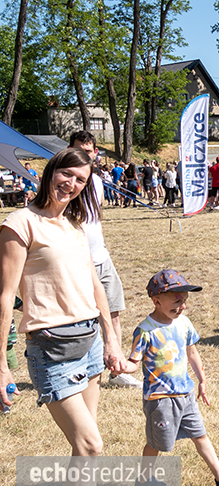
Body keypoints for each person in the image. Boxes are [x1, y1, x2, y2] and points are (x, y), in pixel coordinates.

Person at [0, 148, 127, 486]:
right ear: (51, 172)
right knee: (90, 443)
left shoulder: (74, 225)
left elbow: (95, 285)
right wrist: (1, 366)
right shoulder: (19, 223)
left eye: (80, 180)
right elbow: (5, 297)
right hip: (51, 348)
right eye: (66, 174)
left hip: (89, 343)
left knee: (84, 450)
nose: (71, 184)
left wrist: (112, 341)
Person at [124, 270, 219, 486]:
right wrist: (121, 367)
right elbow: (133, 363)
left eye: (185, 301)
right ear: (156, 301)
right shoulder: (145, 331)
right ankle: (144, 479)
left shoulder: (184, 323)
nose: (182, 306)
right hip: (160, 399)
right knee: (156, 443)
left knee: (200, 435)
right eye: (177, 301)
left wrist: (202, 379)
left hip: (186, 394)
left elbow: (192, 352)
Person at [70, 131, 141, 389]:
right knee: (80, 319)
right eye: (79, 150)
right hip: (75, 262)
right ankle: (81, 372)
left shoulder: (98, 181)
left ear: (95, 153)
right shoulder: (64, 181)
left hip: (101, 257)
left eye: (88, 151)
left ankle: (116, 370)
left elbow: (95, 217)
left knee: (112, 313)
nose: (84, 155)